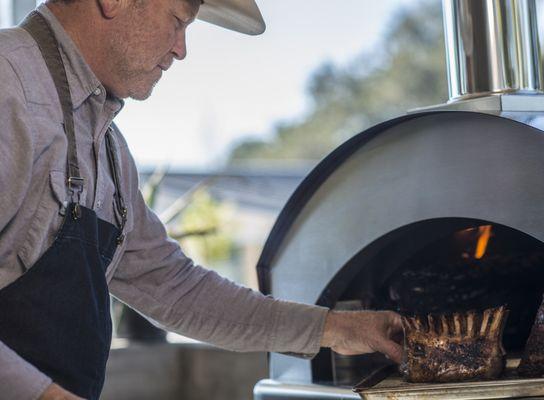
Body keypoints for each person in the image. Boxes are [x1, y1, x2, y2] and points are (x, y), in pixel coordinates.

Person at [0, 1, 405, 399]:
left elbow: (177, 290)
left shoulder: (108, 151)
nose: (181, 49)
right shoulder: (9, 84)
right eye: (177, 20)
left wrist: (336, 329)